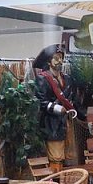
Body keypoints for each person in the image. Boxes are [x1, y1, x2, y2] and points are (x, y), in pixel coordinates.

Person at [33, 44, 78, 173]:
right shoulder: (43, 78)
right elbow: (41, 101)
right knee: (56, 156)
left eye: (61, 58)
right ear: (49, 61)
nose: (60, 61)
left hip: (67, 122)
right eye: (56, 58)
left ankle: (68, 180)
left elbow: (72, 99)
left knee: (69, 155)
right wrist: (57, 108)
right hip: (52, 123)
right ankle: (55, 180)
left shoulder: (67, 79)